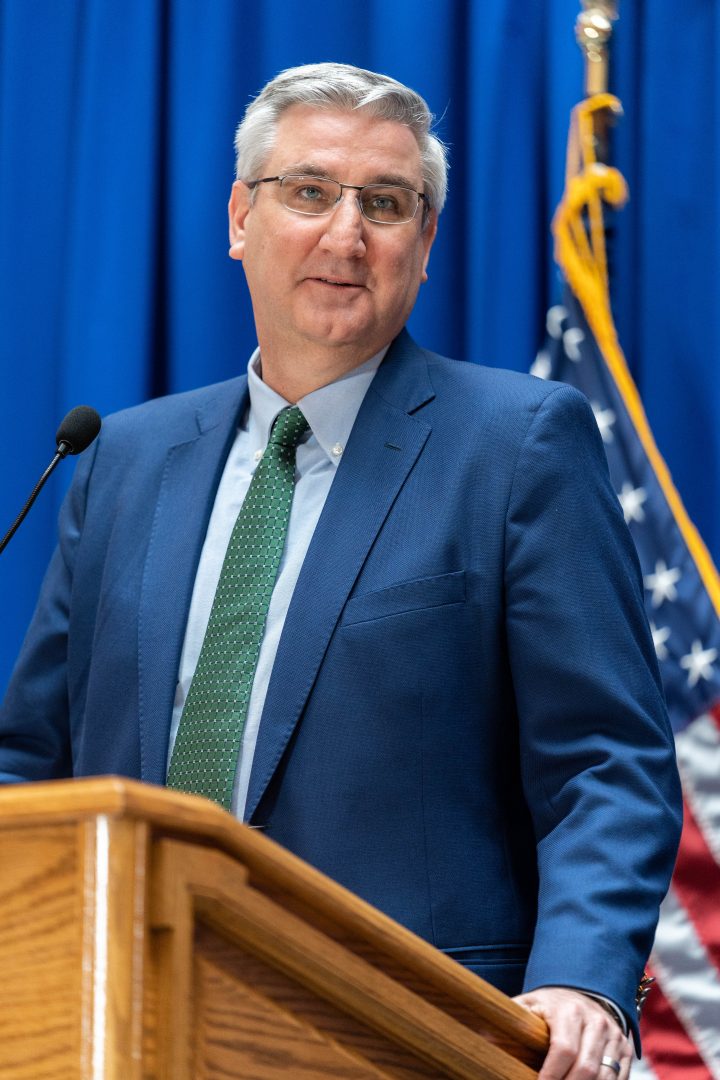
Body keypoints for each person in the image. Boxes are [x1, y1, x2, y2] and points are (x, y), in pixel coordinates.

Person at [0, 63, 680, 1080]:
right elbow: (28, 765)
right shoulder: (122, 460)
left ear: (425, 243)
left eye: (387, 203)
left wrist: (581, 977)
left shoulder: (520, 446)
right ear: (240, 219)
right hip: (117, 1016)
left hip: (401, 1032)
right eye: (310, 191)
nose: (347, 233)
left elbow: (604, 761)